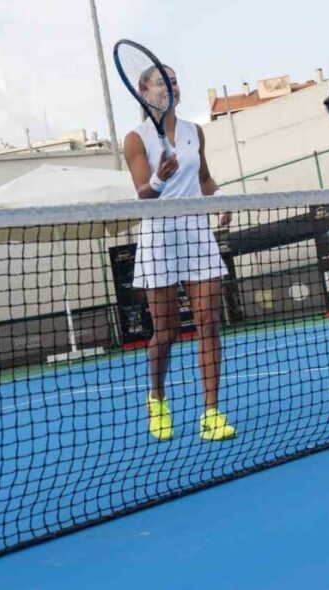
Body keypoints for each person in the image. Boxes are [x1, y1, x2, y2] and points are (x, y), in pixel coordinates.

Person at [124, 64, 235, 442]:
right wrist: (160, 177)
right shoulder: (135, 139)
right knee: (166, 331)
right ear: (144, 92)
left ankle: (212, 413)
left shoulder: (194, 132)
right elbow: (144, 193)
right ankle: (157, 400)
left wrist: (219, 199)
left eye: (173, 80)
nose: (171, 86)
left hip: (197, 235)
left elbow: (203, 179)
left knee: (209, 322)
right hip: (158, 237)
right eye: (162, 82)